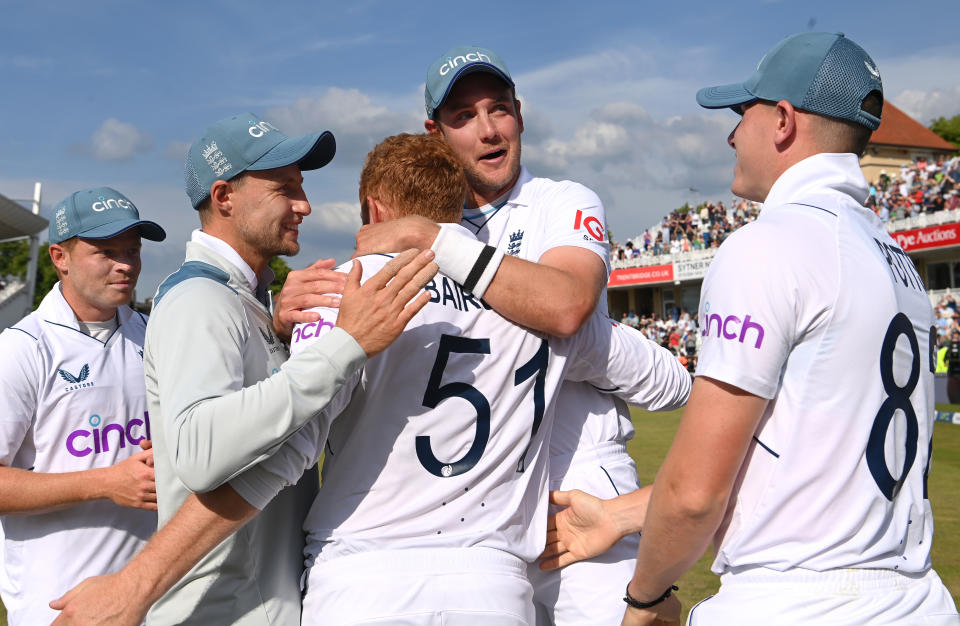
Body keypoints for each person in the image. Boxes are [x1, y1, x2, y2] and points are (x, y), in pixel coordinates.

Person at [543, 32, 959, 625]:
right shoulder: (897, 260)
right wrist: (617, 515)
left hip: (798, 601)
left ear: (784, 121)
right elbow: (799, 460)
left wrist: (645, 597)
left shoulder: (769, 245)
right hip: (915, 600)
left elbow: (695, 494)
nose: (732, 134)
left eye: (743, 113)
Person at [51, 113, 438, 626]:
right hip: (220, 609)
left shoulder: (240, 301)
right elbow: (201, 452)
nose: (305, 205)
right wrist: (345, 345)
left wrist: (279, 329)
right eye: (284, 188)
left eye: (302, 187)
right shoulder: (198, 298)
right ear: (224, 197)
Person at [353, 45, 645, 625]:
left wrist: (433, 241)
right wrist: (298, 308)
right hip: (472, 501)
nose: (488, 130)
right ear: (436, 134)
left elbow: (565, 306)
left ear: (520, 114)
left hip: (574, 478)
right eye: (464, 116)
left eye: (499, 110)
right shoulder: (425, 222)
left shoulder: (561, 200)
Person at [0, 187, 165, 625]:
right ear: (60, 257)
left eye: (133, 250)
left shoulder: (154, 334)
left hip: (151, 598)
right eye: (106, 251)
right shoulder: (23, 349)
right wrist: (105, 482)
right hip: (58, 607)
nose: (126, 265)